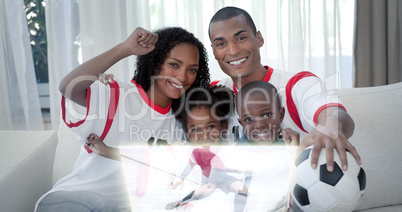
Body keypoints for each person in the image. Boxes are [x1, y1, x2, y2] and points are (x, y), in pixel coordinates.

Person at [35, 27, 210, 212]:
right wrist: (125, 49)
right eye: (174, 65)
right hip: (69, 200)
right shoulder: (115, 94)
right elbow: (68, 87)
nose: (183, 77)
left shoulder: (183, 122)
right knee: (105, 207)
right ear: (156, 63)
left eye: (192, 70)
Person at [208, 6, 361, 172]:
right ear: (214, 51)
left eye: (241, 38)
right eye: (221, 44)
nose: (233, 50)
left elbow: (335, 114)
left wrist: (331, 126)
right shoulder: (215, 92)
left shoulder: (296, 85)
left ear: (259, 38)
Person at [165, 86, 250, 212]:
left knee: (242, 189)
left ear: (224, 126)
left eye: (210, 127)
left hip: (225, 180)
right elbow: (189, 166)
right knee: (203, 192)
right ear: (187, 133)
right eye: (196, 130)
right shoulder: (195, 153)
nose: (204, 135)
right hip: (208, 183)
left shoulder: (232, 150)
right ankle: (179, 202)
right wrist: (181, 178)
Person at [236, 81, 299, 146]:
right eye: (249, 119)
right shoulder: (234, 153)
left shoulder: (291, 144)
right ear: (241, 123)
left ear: (281, 115)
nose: (259, 125)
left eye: (267, 115)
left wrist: (296, 151)